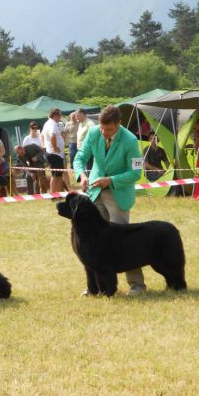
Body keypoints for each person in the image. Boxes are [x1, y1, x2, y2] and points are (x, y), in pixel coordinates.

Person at [73, 105, 146, 296]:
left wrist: (111, 180)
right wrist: (81, 175)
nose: (104, 133)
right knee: (91, 241)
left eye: (109, 129)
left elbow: (136, 173)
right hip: (95, 192)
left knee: (124, 241)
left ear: (118, 124)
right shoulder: (94, 132)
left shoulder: (130, 140)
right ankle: (94, 287)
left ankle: (137, 284)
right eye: (102, 128)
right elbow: (80, 157)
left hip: (118, 193)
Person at [43, 108, 67, 193]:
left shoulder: (49, 123)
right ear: (56, 115)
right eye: (60, 115)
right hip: (54, 153)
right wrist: (55, 147)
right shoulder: (52, 124)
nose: (61, 117)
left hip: (55, 154)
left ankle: (58, 193)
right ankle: (53, 195)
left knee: (58, 174)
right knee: (55, 175)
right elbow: (52, 136)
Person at [76, 108, 95, 173]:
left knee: (89, 167)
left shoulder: (90, 123)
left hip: (88, 150)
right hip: (80, 149)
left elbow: (94, 136)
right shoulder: (80, 123)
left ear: (82, 114)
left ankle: (90, 181)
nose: (76, 117)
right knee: (82, 167)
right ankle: (85, 181)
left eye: (77, 115)